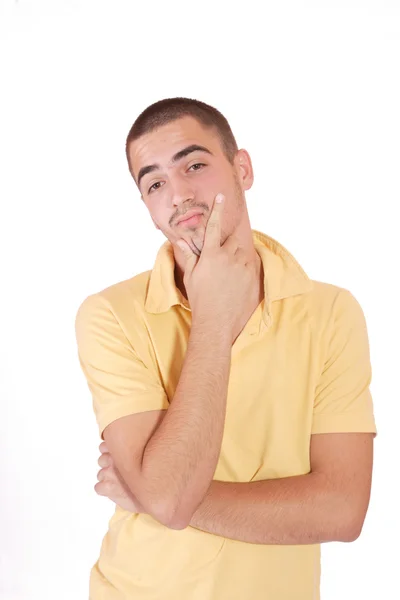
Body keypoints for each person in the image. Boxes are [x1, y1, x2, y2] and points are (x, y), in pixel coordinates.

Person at [74, 97, 377, 600]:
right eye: (154, 183)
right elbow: (168, 496)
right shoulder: (109, 315)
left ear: (242, 168)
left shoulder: (331, 312)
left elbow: (343, 511)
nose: (179, 195)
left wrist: (150, 495)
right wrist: (212, 320)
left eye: (195, 165)